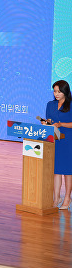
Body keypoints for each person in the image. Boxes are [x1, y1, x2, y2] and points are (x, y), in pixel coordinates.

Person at [43, 80, 72, 209]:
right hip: (54, 141)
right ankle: (56, 198)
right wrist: (46, 123)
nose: (56, 94)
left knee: (67, 171)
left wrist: (61, 124)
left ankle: (67, 198)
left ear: (65, 92)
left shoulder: (71, 105)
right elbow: (49, 120)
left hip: (68, 141)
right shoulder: (50, 105)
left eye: (59, 91)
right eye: (55, 91)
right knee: (56, 171)